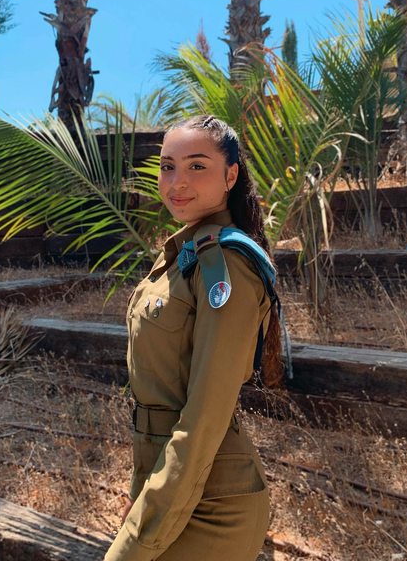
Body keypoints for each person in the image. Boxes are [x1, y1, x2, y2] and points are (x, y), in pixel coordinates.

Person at [104, 115, 284, 561]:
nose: (177, 181)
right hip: (170, 481)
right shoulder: (185, 253)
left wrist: (142, 531)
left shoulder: (225, 263)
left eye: (197, 166)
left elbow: (203, 419)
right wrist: (142, 490)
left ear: (230, 176)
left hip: (211, 504)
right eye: (168, 166)